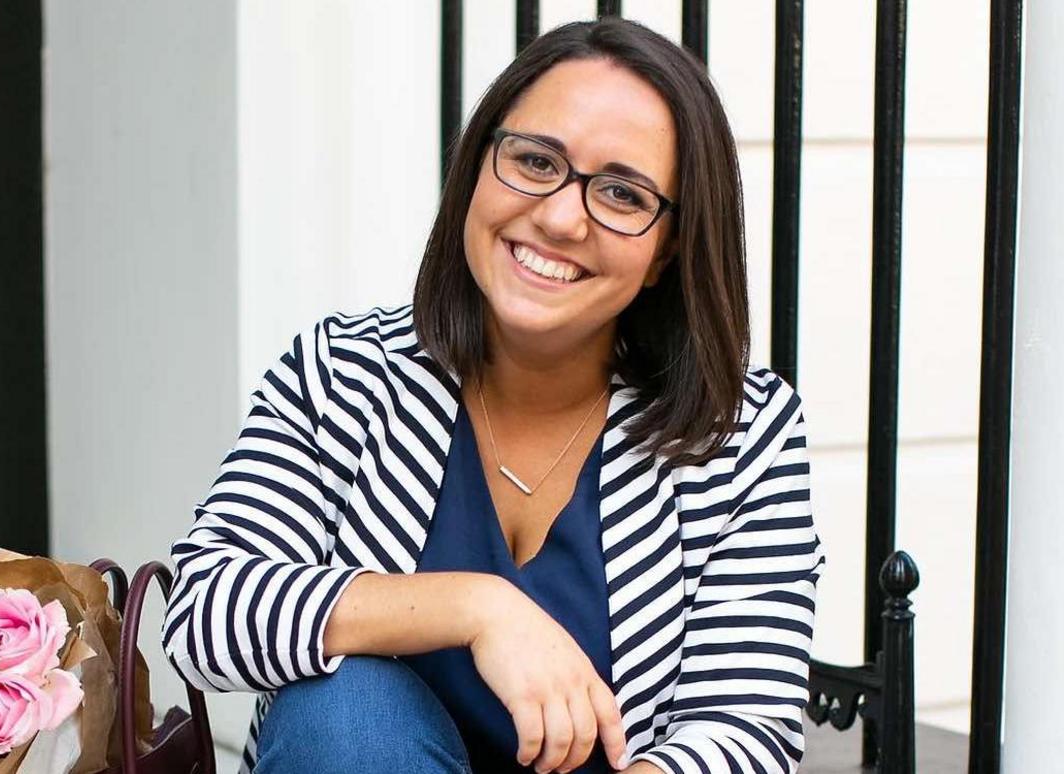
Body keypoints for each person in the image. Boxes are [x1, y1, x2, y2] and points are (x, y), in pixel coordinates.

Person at [161, 16, 824, 774]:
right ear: (480, 164)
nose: (560, 216)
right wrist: (479, 608)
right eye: (537, 161)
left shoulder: (741, 433)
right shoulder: (344, 372)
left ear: (666, 248)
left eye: (621, 193)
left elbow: (746, 731)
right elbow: (205, 611)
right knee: (343, 711)